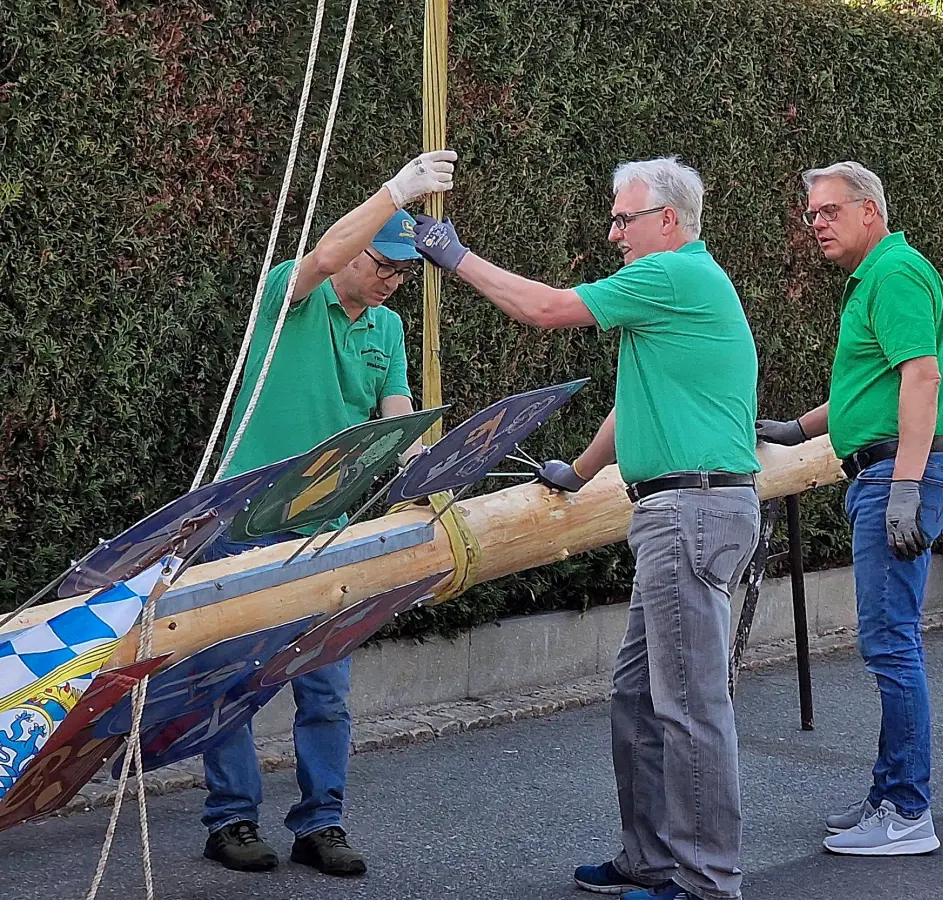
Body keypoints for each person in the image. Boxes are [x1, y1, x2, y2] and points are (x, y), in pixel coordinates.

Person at [413, 157, 760, 900]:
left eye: (622, 219)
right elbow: (635, 400)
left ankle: (706, 884)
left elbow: (543, 308)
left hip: (689, 516)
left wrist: (454, 254)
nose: (612, 234)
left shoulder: (674, 276)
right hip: (684, 512)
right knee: (639, 698)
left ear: (667, 222)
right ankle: (651, 861)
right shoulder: (676, 292)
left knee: (691, 709)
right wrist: (579, 467)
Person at [199, 149, 457, 875]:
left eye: (406, 271)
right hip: (248, 518)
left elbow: (395, 408)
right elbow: (323, 253)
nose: (394, 278)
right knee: (233, 678)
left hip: (329, 528)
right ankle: (231, 821)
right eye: (385, 263)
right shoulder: (295, 296)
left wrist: (416, 458)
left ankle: (321, 823)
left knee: (327, 692)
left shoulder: (388, 328)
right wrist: (396, 191)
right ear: (357, 251)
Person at [755, 162, 943, 856]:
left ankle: (907, 812)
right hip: (891, 473)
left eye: (829, 211)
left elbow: (922, 379)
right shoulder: (882, 274)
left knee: (892, 646)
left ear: (870, 210)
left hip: (898, 478)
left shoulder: (894, 275)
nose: (817, 223)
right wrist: (801, 429)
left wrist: (904, 487)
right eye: (811, 213)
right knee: (889, 644)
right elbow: (870, 387)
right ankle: (889, 795)